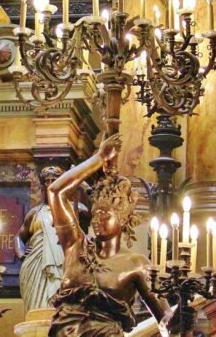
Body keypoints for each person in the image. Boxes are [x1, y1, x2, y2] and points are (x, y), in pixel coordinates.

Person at [47, 134, 166, 335]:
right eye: (95, 214)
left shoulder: (136, 264)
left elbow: (167, 321)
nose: (96, 220)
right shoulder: (75, 246)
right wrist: (99, 157)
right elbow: (55, 191)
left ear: (122, 217)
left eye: (105, 215)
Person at [17, 166, 67, 312]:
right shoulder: (35, 212)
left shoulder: (70, 210)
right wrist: (21, 253)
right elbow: (19, 237)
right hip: (36, 264)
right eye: (47, 181)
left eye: (54, 180)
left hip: (60, 263)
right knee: (36, 306)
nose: (50, 183)